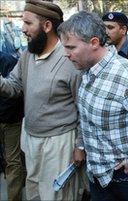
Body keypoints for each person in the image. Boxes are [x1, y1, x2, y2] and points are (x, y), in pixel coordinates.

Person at [58, 11, 128, 201]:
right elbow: (86, 119)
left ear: (94, 43)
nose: (65, 54)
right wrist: (81, 145)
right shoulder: (87, 71)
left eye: (71, 47)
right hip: (97, 176)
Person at [0, 1, 85, 200]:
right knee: (35, 193)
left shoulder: (69, 59)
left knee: (57, 195)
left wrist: (80, 146)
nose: (23, 29)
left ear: (47, 26)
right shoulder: (27, 55)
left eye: (28, 23)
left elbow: (83, 108)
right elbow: (14, 86)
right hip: (30, 139)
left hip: (59, 143)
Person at [0, 51, 25, 201]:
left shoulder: (8, 60)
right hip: (8, 118)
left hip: (10, 121)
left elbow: (14, 91)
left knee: (12, 161)